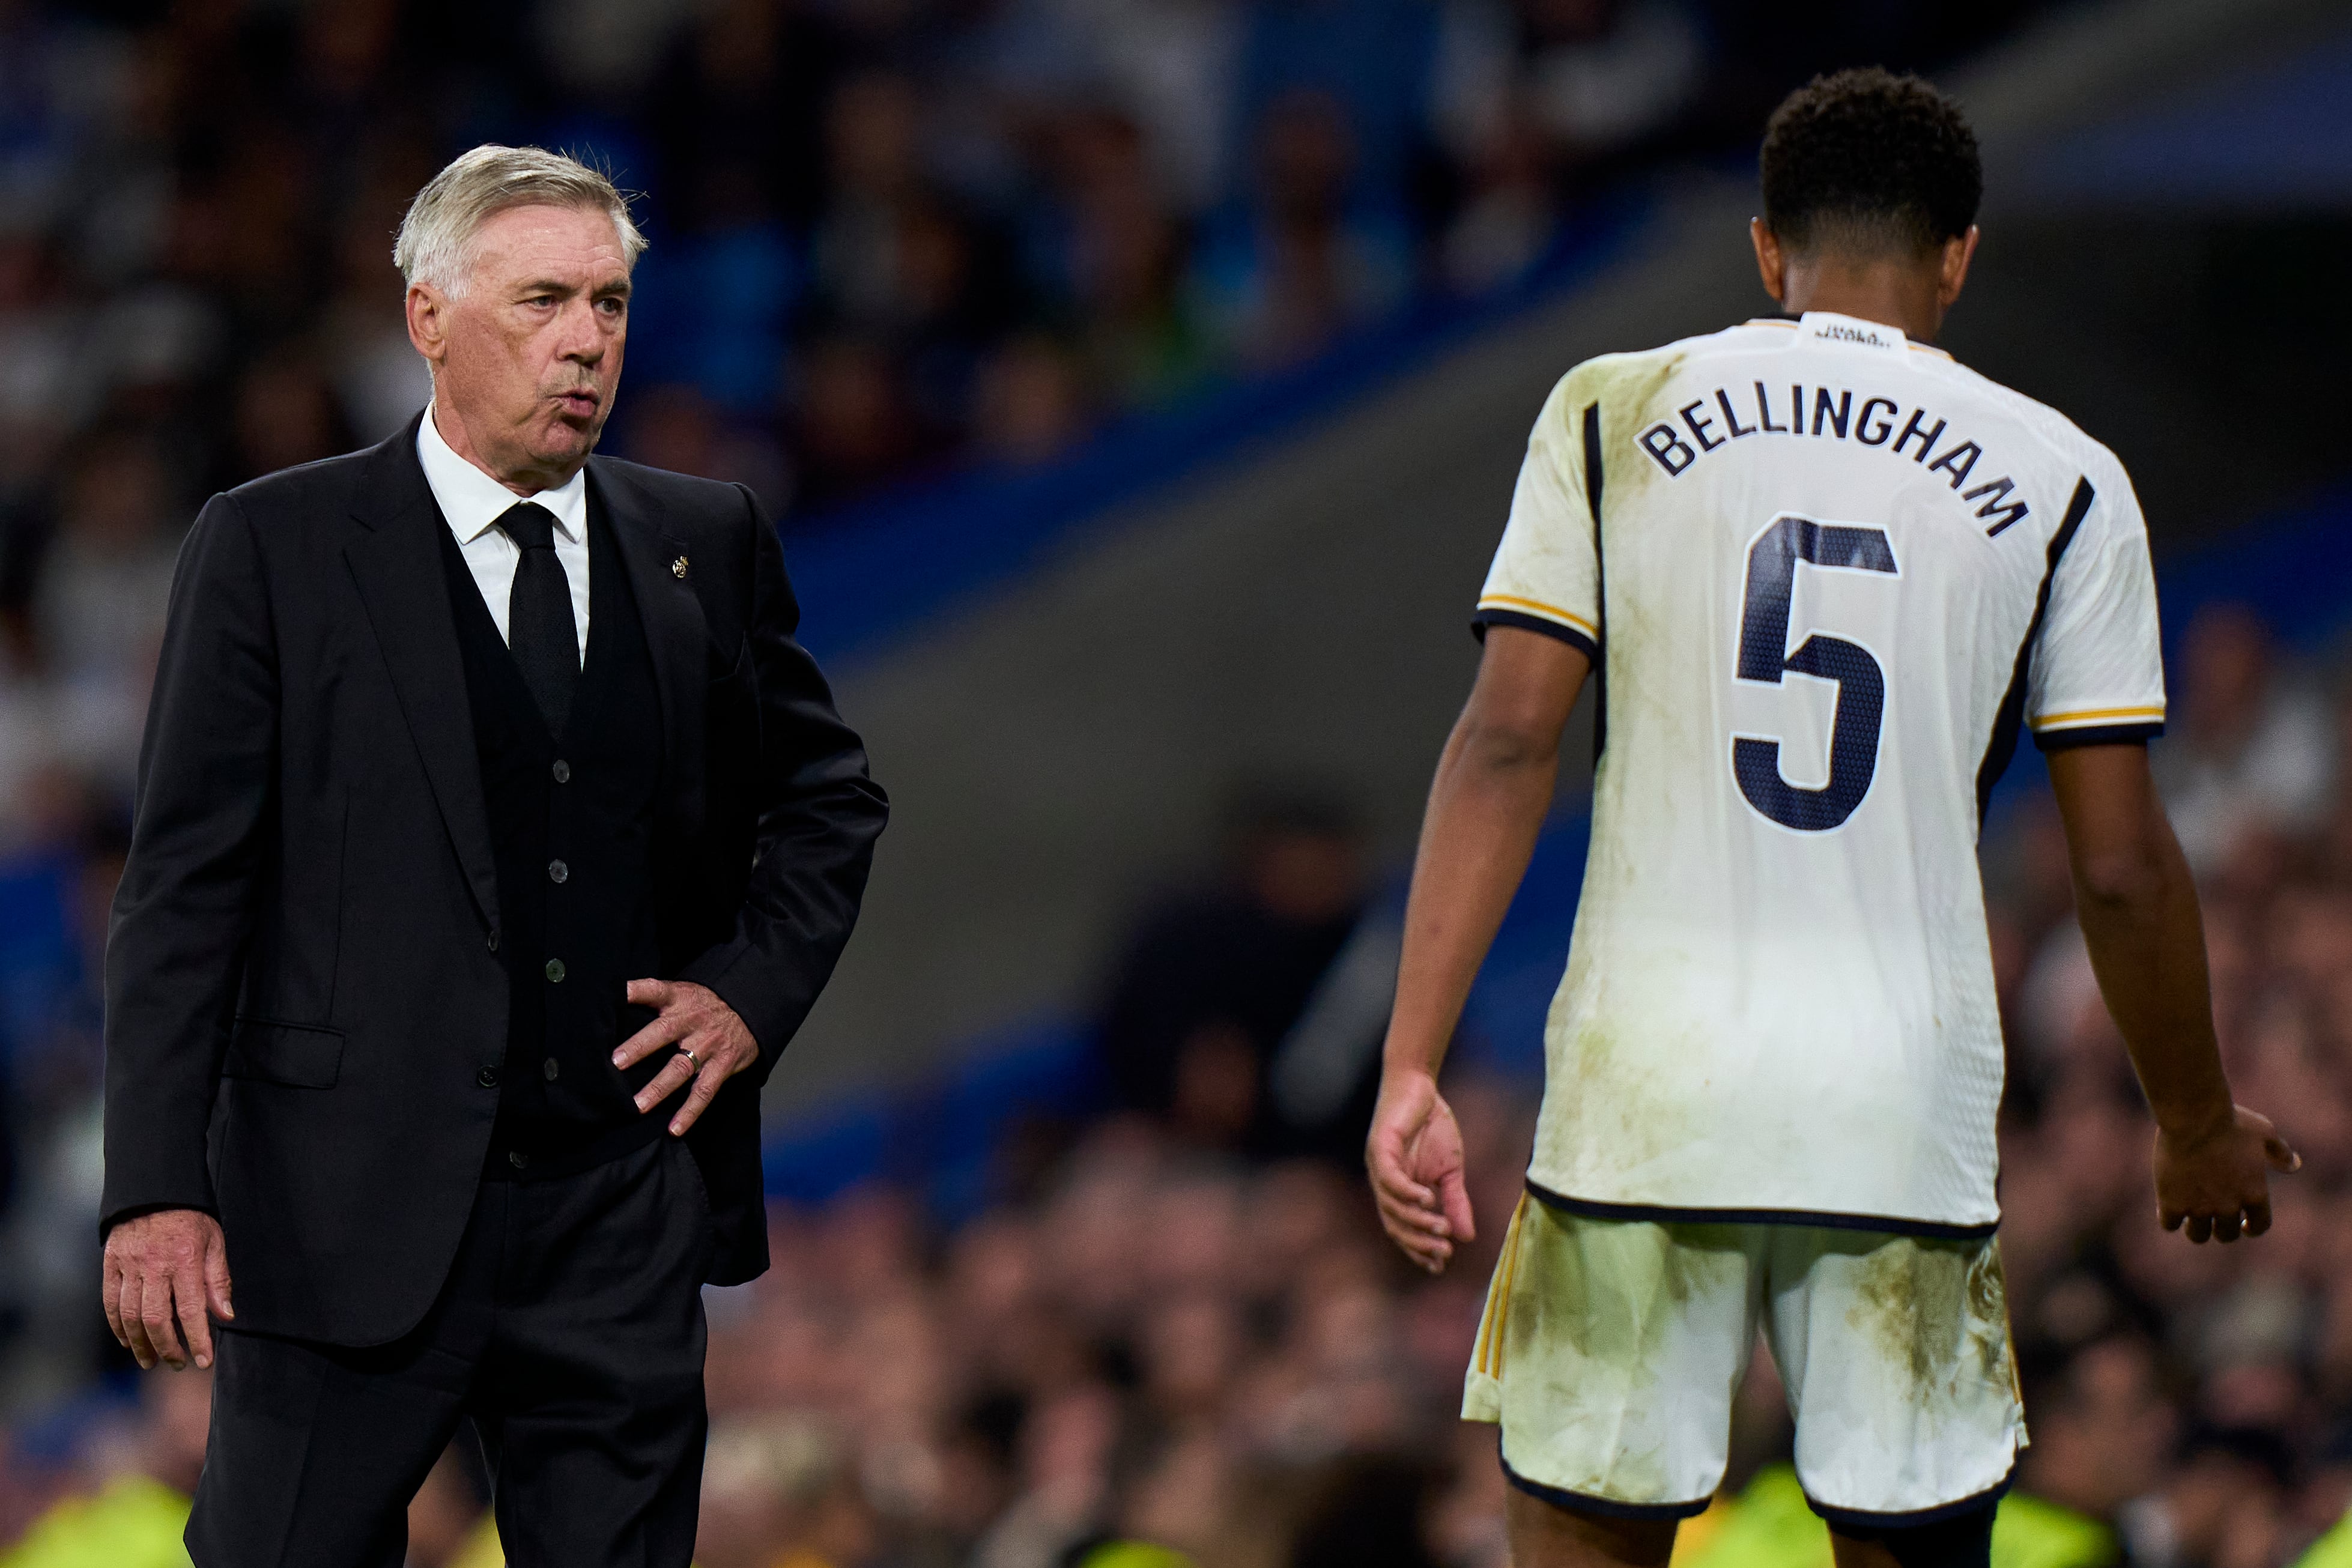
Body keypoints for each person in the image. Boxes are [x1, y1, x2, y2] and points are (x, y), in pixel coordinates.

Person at [1361, 68, 2297, 1568]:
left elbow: (1503, 743)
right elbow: (2118, 867)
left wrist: (1411, 1061)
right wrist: (2188, 1121)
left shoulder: (1609, 409)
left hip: (1639, 1099)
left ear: (1759, 248)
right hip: (1895, 1112)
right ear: (1957, 257)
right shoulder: (2063, 482)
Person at [97, 145, 889, 1566]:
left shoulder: (698, 541)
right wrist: (157, 1184)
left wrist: (749, 996)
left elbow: (827, 800)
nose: (587, 341)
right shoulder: (272, 547)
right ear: (428, 318)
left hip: (617, 1213)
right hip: (341, 1213)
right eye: (542, 301)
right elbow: (183, 887)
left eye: (609, 304)